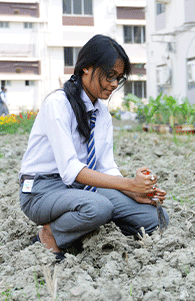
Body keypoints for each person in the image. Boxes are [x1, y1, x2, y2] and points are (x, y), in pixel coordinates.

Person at [19, 34, 168, 261]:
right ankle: (50, 235)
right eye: (109, 75)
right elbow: (70, 170)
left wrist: (136, 192)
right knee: (98, 208)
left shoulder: (102, 113)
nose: (114, 84)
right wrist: (129, 183)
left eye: (119, 78)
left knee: (157, 219)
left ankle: (80, 228)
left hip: (80, 188)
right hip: (42, 189)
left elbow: (106, 166)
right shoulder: (58, 104)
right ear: (86, 68)